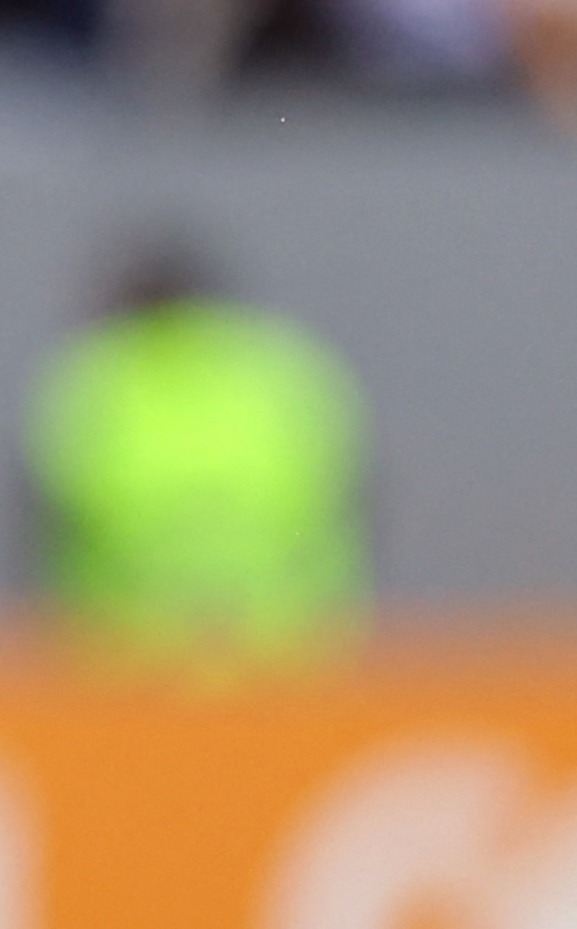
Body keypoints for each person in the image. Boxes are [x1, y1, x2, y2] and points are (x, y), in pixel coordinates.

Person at [27, 239, 366, 669]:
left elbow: (45, 527)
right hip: (283, 662)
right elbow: (351, 503)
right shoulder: (287, 370)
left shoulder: (93, 378)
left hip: (127, 673)